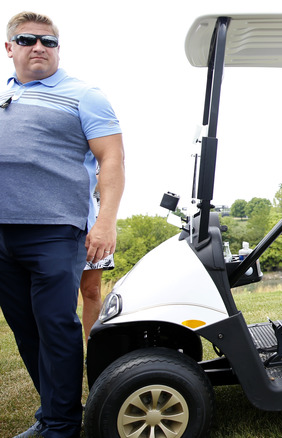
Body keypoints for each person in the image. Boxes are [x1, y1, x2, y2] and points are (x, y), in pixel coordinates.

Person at [0, 11, 125, 438]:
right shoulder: (4, 97)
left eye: (49, 41)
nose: (39, 47)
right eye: (28, 39)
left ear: (58, 49)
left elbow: (112, 159)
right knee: (26, 330)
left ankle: (63, 426)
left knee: (56, 325)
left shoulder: (84, 95)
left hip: (56, 229)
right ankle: (54, 414)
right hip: (2, 232)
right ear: (9, 47)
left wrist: (105, 222)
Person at [80, 177, 115, 340]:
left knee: (92, 290)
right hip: (61, 215)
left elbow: (109, 181)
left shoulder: (108, 153)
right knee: (60, 291)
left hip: (95, 220)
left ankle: (93, 351)